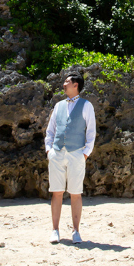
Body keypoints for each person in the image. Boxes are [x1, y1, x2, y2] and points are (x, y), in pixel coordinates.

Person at [44, 73, 96, 244]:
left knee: (76, 193)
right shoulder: (58, 105)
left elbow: (91, 131)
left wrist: (85, 153)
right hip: (57, 153)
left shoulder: (86, 105)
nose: (64, 84)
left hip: (77, 154)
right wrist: (49, 150)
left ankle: (76, 231)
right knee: (56, 192)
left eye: (67, 81)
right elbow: (51, 130)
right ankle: (55, 230)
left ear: (76, 85)